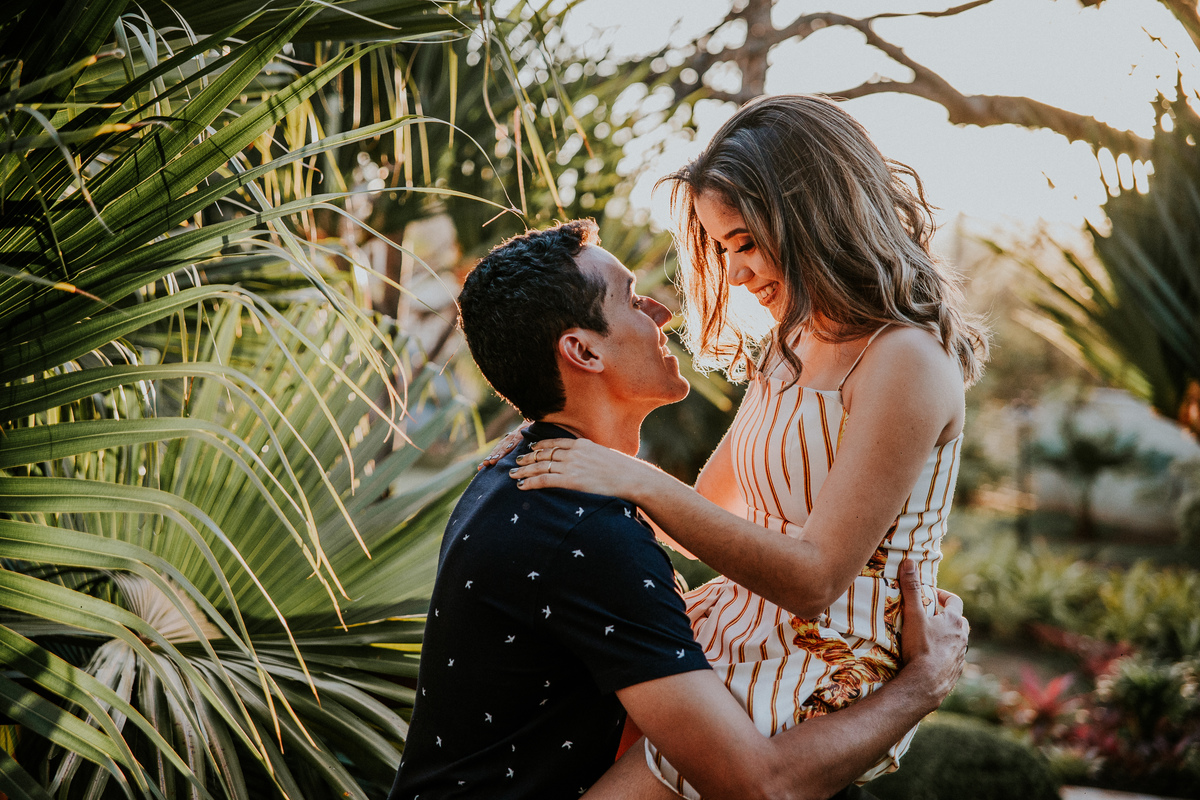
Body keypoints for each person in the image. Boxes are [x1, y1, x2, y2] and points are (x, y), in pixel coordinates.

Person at [506, 95, 990, 798]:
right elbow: (709, 515)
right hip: (737, 629)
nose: (732, 273)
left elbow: (816, 581)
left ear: (816, 219)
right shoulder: (793, 341)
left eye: (743, 243)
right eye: (722, 248)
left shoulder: (904, 361)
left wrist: (632, 478)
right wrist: (551, 453)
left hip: (823, 665)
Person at [387, 218, 969, 800]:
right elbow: (762, 786)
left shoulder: (529, 477)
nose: (661, 311)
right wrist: (923, 683)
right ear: (583, 350)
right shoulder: (584, 531)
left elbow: (713, 513)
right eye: (632, 299)